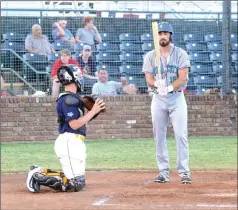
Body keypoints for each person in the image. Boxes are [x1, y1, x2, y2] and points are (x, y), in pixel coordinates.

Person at [26, 64, 105, 193]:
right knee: (74, 184)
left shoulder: (72, 98)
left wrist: (92, 113)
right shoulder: (69, 99)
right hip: (69, 141)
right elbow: (74, 124)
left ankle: (41, 172)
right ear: (76, 78)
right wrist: (93, 111)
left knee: (77, 181)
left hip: (75, 142)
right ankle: (36, 175)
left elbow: (79, 121)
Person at [142, 22, 191, 184]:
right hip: (158, 98)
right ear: (157, 37)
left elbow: (182, 78)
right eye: (160, 33)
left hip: (176, 98)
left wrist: (169, 87)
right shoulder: (150, 56)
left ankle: (184, 172)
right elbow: (148, 77)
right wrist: (156, 84)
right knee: (159, 135)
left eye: (165, 33)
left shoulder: (180, 53)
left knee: (180, 134)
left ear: (170, 35)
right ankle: (163, 171)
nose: (163, 36)